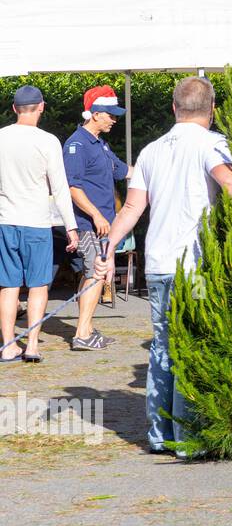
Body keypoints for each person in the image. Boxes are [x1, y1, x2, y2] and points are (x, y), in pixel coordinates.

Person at [94, 76, 232, 456]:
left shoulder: (152, 150)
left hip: (158, 264)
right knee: (192, 344)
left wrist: (108, 249)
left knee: (163, 346)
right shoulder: (213, 144)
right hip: (194, 265)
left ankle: (159, 435)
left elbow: (132, 208)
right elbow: (231, 186)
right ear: (212, 110)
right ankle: (188, 439)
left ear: (174, 108)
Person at [0, 85, 79, 364]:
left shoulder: (1, 137)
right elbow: (60, 188)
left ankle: (8, 345)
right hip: (36, 222)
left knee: (8, 286)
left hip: (6, 221)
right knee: (38, 285)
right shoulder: (48, 141)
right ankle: (32, 344)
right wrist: (71, 226)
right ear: (42, 107)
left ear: (14, 109)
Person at [62, 86, 132, 351]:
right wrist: (96, 214)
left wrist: (156, 173)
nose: (114, 120)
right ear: (94, 114)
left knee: (92, 273)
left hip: (102, 225)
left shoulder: (100, 144)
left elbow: (123, 171)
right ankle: (82, 334)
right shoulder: (77, 145)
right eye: (110, 115)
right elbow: (73, 188)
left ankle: (87, 328)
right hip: (88, 224)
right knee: (96, 272)